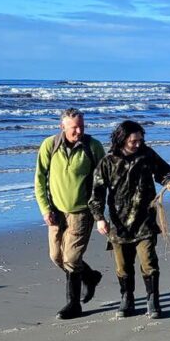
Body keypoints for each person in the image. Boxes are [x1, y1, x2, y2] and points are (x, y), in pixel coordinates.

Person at [89, 120, 170, 319]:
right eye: (133, 141)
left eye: (140, 140)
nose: (138, 144)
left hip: (145, 220)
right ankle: (127, 299)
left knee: (149, 262)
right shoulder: (108, 162)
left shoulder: (147, 155)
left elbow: (163, 170)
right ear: (122, 140)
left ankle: (153, 301)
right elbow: (97, 192)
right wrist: (99, 218)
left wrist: (169, 181)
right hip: (119, 224)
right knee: (123, 266)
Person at [34, 108, 106, 319]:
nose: (79, 131)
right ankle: (90, 276)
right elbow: (39, 179)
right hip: (56, 212)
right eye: (74, 127)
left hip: (82, 212)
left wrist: (99, 212)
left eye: (82, 126)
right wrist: (45, 209)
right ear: (62, 126)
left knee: (72, 258)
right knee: (56, 256)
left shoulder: (93, 147)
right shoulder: (50, 145)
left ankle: (73, 304)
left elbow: (103, 181)